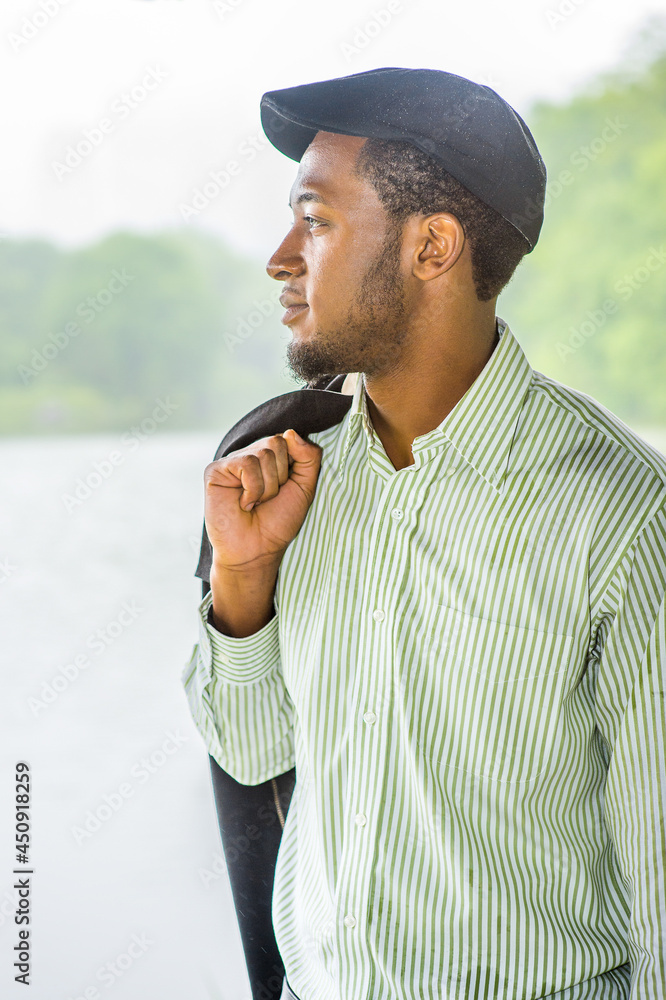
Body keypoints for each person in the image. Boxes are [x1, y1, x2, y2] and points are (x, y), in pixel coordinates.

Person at [183, 67, 666, 1000]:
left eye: (316, 219)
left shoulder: (625, 521)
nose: (282, 257)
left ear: (433, 245)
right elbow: (250, 757)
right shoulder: (289, 475)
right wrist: (243, 580)